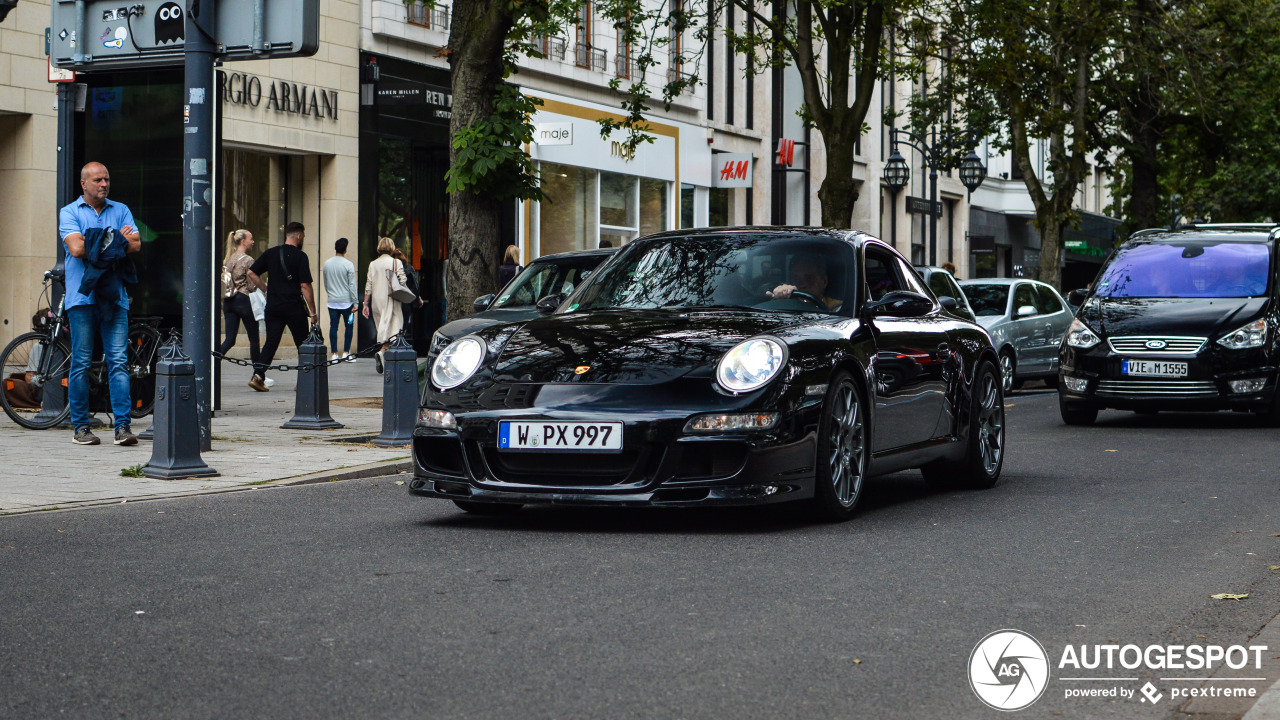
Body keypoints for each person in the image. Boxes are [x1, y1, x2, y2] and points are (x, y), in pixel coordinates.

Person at [58, 161, 142, 446]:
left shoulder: (121, 209)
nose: (104, 184)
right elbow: (77, 249)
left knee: (119, 361)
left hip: (115, 297)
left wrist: (101, 240)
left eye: (106, 179)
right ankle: (81, 427)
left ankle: (122, 427)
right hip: (82, 299)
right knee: (81, 363)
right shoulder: (69, 212)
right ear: (84, 184)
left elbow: (137, 245)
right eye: (97, 180)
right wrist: (117, 238)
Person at [247, 222, 318, 392]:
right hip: (294, 307)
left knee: (271, 342)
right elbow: (305, 286)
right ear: (299, 236)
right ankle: (304, 380)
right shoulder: (301, 256)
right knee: (303, 344)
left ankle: (258, 376)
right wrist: (313, 312)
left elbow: (251, 273)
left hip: (273, 306)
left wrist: (265, 290)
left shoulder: (271, 253)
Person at [218, 229, 261, 382]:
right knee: (254, 338)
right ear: (243, 241)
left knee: (229, 340)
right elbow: (251, 286)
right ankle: (258, 375)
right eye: (251, 238)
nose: (253, 241)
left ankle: (212, 365)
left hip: (228, 302)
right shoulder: (248, 260)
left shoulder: (227, 259)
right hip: (243, 300)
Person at [363, 237, 409, 374]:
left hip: (377, 301)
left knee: (385, 330)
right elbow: (403, 280)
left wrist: (365, 303)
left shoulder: (373, 264)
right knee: (396, 329)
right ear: (391, 247)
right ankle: (384, 354)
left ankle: (384, 354)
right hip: (392, 299)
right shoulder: (396, 262)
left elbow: (368, 284)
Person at [321, 237, 358, 361]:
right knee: (349, 326)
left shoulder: (327, 264)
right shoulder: (348, 265)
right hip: (347, 301)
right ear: (346, 249)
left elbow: (325, 283)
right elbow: (352, 285)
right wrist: (356, 302)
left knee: (333, 326)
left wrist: (330, 293)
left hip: (332, 301)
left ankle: (334, 354)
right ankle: (346, 353)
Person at [767, 255, 843, 311]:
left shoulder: (837, 309)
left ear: (824, 281)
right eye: (796, 278)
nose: (802, 284)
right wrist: (780, 297)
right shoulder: (787, 304)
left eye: (809, 278)